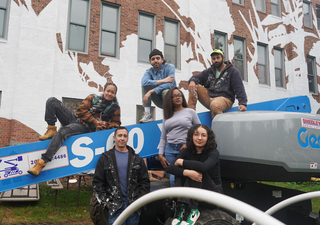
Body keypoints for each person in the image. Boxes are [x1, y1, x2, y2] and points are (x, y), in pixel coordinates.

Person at [27, 83, 121, 177]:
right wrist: (95, 122)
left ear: (115, 94)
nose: (109, 94)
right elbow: (80, 110)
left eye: (112, 92)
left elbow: (117, 124)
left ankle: (41, 162)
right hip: (73, 119)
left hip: (85, 128)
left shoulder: (115, 108)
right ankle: (51, 128)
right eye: (108, 91)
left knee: (63, 132)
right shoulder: (92, 97)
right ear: (104, 90)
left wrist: (106, 124)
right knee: (52, 101)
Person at [92, 126, 150, 225]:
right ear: (114, 138)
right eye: (119, 135)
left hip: (133, 206)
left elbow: (144, 182)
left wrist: (139, 200)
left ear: (127, 139)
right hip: (114, 206)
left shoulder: (137, 159)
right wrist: (105, 202)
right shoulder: (105, 158)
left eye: (124, 136)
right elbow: (97, 183)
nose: (122, 138)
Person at [167, 124, 222, 225]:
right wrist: (186, 172)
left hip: (212, 195)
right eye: (196, 134)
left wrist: (182, 162)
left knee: (195, 172)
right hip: (194, 193)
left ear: (208, 138)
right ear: (191, 136)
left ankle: (193, 210)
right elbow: (170, 167)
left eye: (203, 135)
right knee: (183, 172)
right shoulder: (187, 151)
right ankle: (181, 208)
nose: (199, 138)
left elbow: (204, 167)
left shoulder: (214, 152)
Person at [158, 87, 200, 187]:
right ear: (170, 99)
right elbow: (163, 137)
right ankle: (176, 202)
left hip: (185, 149)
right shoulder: (167, 115)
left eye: (179, 95)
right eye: (174, 96)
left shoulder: (190, 112)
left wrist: (189, 144)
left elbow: (199, 131)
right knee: (173, 179)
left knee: (187, 177)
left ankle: (186, 202)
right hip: (170, 150)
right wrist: (160, 155)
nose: (177, 97)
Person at [188, 49, 247, 118]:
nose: (216, 60)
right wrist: (192, 81)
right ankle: (190, 115)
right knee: (194, 86)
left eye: (218, 58)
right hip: (210, 98)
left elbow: (239, 88)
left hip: (225, 99)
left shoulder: (232, 71)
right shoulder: (209, 71)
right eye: (213, 59)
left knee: (215, 105)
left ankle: (219, 127)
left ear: (223, 58)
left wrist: (242, 103)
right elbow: (196, 77)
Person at [140, 49, 176, 123]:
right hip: (159, 100)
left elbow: (170, 84)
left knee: (165, 91)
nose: (155, 60)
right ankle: (147, 115)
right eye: (153, 59)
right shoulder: (149, 71)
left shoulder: (170, 67)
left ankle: (171, 114)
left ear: (162, 60)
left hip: (172, 99)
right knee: (145, 86)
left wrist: (151, 91)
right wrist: (163, 80)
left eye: (157, 58)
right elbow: (144, 83)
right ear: (150, 62)